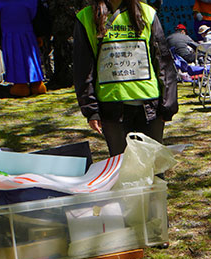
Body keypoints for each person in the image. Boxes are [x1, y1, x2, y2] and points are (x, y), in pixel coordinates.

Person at [73, 0, 178, 156]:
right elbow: (83, 68)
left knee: (153, 167)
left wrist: (168, 104)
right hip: (111, 107)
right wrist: (91, 110)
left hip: (149, 105)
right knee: (122, 169)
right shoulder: (86, 17)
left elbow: (162, 60)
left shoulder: (147, 13)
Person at [0, 0, 47, 97]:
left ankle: (20, 85)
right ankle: (36, 84)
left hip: (9, 36)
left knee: (15, 58)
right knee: (31, 58)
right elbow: (37, 17)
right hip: (28, 34)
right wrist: (39, 34)